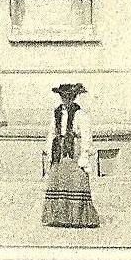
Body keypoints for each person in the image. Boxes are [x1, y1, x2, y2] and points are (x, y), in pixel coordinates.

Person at [43, 83, 100, 228]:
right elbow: (51, 132)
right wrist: (49, 150)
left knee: (77, 179)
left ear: (74, 98)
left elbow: (86, 135)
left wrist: (85, 154)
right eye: (63, 97)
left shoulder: (80, 114)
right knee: (58, 179)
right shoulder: (56, 112)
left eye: (69, 97)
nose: (66, 100)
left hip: (73, 149)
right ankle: (59, 217)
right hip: (59, 151)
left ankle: (79, 218)